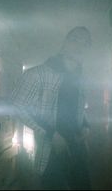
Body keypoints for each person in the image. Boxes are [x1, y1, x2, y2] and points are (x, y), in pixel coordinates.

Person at [10, 26, 92, 190]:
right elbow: (18, 105)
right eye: (75, 39)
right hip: (51, 150)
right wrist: (51, 134)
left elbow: (79, 108)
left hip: (77, 146)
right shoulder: (38, 74)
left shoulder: (81, 78)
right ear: (64, 43)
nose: (79, 46)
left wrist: (85, 125)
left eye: (85, 43)